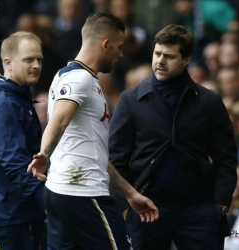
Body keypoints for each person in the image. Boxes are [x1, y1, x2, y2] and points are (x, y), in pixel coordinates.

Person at [27, 13, 158, 250]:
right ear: (105, 44)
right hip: (84, 194)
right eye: (118, 47)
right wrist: (44, 153)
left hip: (60, 193)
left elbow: (93, 152)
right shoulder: (80, 79)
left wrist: (129, 193)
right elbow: (58, 121)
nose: (120, 54)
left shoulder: (65, 76)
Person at [109, 24, 238, 250]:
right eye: (157, 54)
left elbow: (225, 157)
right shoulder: (130, 101)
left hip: (199, 208)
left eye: (169, 56)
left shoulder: (209, 102)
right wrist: (126, 204)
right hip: (146, 206)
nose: (160, 61)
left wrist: (219, 205)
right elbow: (115, 158)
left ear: (186, 59)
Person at [0, 31, 46, 250]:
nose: (36, 65)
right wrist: (49, 201)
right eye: (29, 59)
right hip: (11, 215)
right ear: (8, 63)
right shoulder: (3, 104)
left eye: (39, 59)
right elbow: (15, 164)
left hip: (16, 212)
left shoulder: (16, 97)